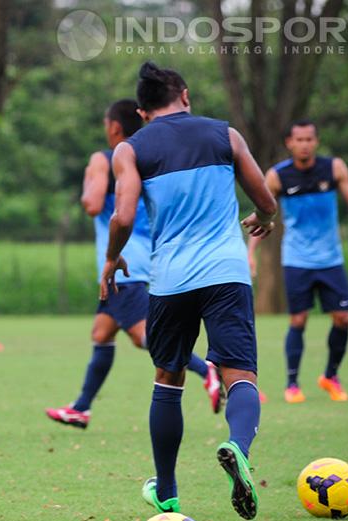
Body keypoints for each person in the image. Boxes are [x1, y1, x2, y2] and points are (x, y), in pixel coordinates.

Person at [101, 62, 277, 520]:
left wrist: (112, 257)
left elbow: (122, 217)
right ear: (185, 94)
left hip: (169, 279)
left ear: (142, 112)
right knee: (241, 375)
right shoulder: (226, 135)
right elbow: (265, 199)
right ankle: (237, 446)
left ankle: (168, 491)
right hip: (226, 271)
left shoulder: (130, 149)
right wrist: (267, 220)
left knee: (168, 379)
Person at [46, 99, 221, 430]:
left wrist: (89, 178)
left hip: (123, 266)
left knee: (146, 338)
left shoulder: (105, 159)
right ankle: (81, 408)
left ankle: (206, 370)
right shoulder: (146, 159)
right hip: (150, 260)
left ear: (113, 127)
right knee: (102, 332)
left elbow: (92, 204)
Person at [249, 120, 348, 403]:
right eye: (299, 139)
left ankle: (330, 375)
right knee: (298, 319)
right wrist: (250, 252)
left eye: (309, 139)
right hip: (297, 259)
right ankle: (292, 384)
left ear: (316, 141)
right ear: (289, 142)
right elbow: (263, 213)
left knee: (343, 318)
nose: (304, 144)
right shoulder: (277, 176)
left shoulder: (334, 168)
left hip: (330, 259)